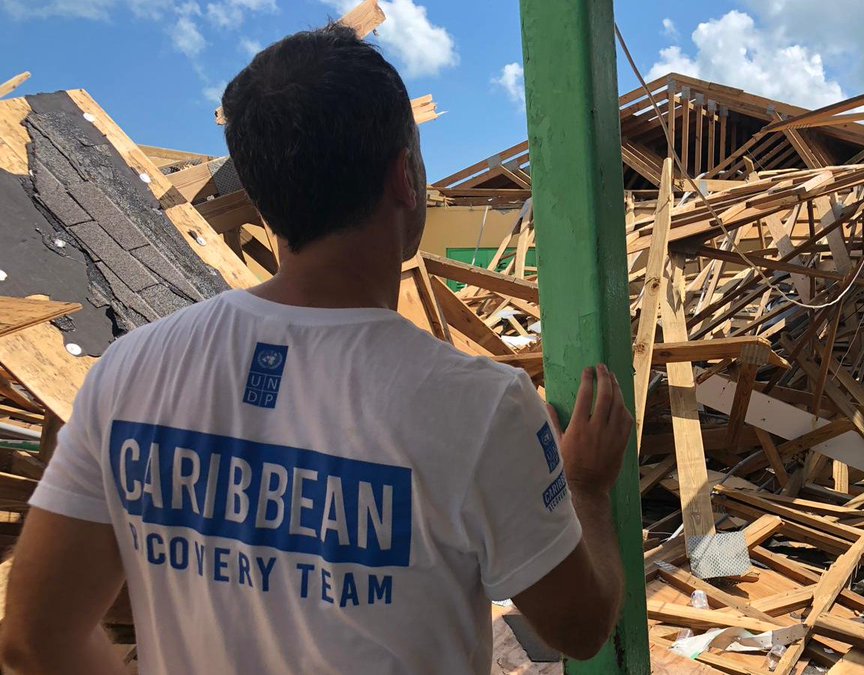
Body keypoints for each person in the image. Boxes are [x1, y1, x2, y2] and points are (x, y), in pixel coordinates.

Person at [0, 24, 631, 674]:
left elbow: (35, 637)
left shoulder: (129, 373)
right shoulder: (481, 407)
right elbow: (580, 627)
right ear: (404, 178)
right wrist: (585, 485)